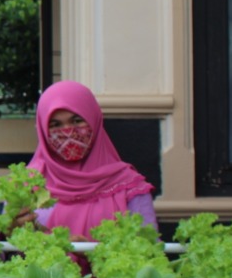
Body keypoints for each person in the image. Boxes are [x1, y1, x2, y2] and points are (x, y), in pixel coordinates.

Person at [14, 79, 156, 240]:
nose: (67, 131)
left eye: (77, 121)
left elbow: (149, 253)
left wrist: (94, 254)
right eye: (55, 125)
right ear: (42, 130)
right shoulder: (26, 185)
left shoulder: (129, 187)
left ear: (94, 119)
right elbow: (5, 254)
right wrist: (9, 232)